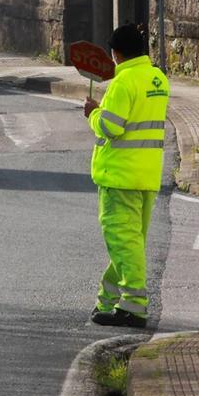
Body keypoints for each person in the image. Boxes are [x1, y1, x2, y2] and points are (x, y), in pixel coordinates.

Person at [82, 24, 169, 329]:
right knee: (129, 244)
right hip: (147, 175)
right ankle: (107, 301)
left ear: (116, 54)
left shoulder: (123, 82)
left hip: (119, 176)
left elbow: (111, 127)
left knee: (122, 242)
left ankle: (134, 306)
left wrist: (93, 112)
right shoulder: (158, 78)